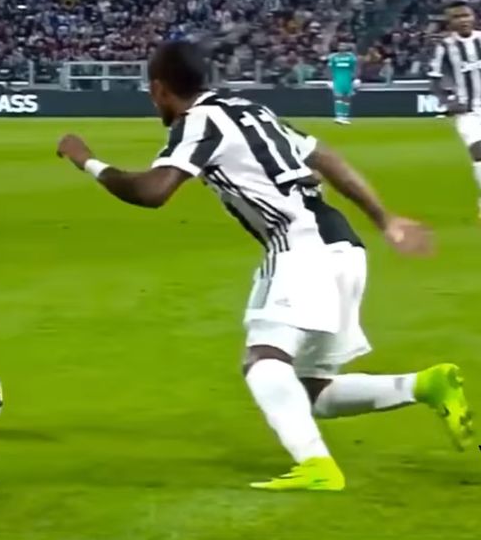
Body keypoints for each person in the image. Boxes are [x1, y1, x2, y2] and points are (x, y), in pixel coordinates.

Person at [56, 41, 473, 491]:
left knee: (263, 360)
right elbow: (325, 157)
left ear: (159, 89)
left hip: (298, 246)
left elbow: (152, 192)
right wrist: (383, 219)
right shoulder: (248, 109)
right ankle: (425, 386)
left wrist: (86, 160)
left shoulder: (198, 121)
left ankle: (317, 467)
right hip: (344, 246)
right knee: (311, 392)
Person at [429, 0, 481, 218]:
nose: (463, 20)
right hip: (468, 112)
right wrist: (448, 100)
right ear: (449, 22)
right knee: (479, 153)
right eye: (456, 17)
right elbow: (435, 79)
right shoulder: (444, 47)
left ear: (473, 17)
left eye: (466, 15)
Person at [327, 42, 359, 124]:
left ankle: (345, 116)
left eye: (344, 46)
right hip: (338, 80)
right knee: (338, 97)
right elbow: (329, 69)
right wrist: (330, 80)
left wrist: (356, 78)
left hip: (348, 80)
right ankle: (338, 116)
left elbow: (355, 68)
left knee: (347, 98)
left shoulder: (351, 57)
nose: (342, 47)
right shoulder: (333, 57)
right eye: (340, 46)